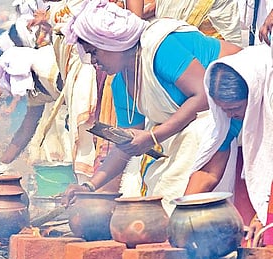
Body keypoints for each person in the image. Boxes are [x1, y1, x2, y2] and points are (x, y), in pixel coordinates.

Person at [61, 0, 241, 214]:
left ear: (112, 42)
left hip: (234, 101)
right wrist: (88, 186)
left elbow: (204, 95)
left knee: (195, 136)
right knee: (149, 178)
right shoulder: (121, 84)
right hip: (193, 117)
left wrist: (153, 137)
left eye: (94, 52)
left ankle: (184, 220)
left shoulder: (159, 46)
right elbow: (126, 145)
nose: (92, 61)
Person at [186, 44, 273, 246]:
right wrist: (182, 213)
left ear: (254, 95)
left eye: (235, 108)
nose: (230, 115)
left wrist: (264, 215)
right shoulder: (233, 115)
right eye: (223, 110)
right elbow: (209, 172)